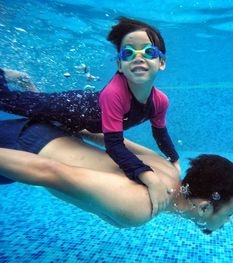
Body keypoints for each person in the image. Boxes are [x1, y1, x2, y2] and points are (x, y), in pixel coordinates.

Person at [0, 17, 179, 215]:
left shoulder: (160, 101)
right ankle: (10, 76)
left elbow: (161, 134)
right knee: (7, 100)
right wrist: (149, 177)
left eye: (149, 51)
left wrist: (175, 160)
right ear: (120, 64)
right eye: (128, 53)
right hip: (70, 107)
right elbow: (114, 145)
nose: (139, 57)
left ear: (161, 62)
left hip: (75, 123)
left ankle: (25, 81)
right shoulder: (115, 93)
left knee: (37, 109)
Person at [0, 117, 233, 234]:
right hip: (22, 150)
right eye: (230, 213)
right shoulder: (140, 207)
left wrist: (56, 122)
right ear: (203, 208)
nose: (229, 221)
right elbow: (49, 171)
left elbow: (112, 139)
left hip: (44, 135)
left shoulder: (168, 170)